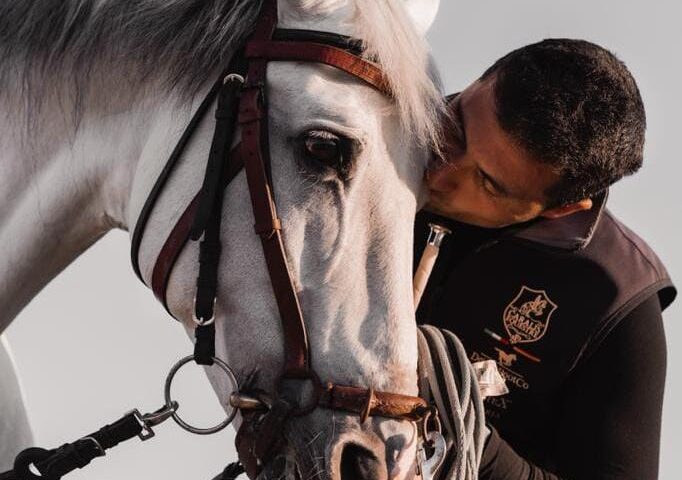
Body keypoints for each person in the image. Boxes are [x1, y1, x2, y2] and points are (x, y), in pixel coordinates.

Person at [415, 39, 676, 479]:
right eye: (457, 124)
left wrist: (462, 435)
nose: (438, 173)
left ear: (562, 208)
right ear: (482, 79)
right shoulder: (361, 127)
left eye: (489, 184)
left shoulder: (615, 302)